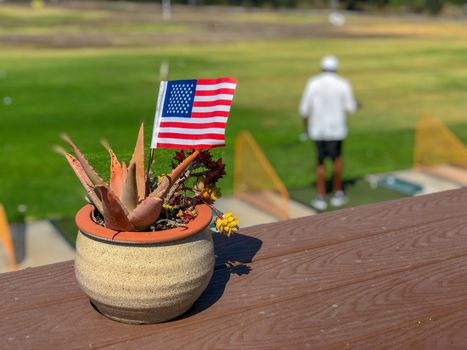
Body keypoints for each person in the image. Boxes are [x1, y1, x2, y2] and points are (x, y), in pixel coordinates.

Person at [299, 55, 358, 211]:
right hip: (336, 130)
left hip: (318, 130)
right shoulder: (343, 83)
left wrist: (305, 128)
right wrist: (357, 105)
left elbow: (304, 110)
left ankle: (320, 195)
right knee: (337, 159)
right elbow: (351, 107)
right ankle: (338, 192)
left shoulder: (313, 83)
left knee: (320, 162)